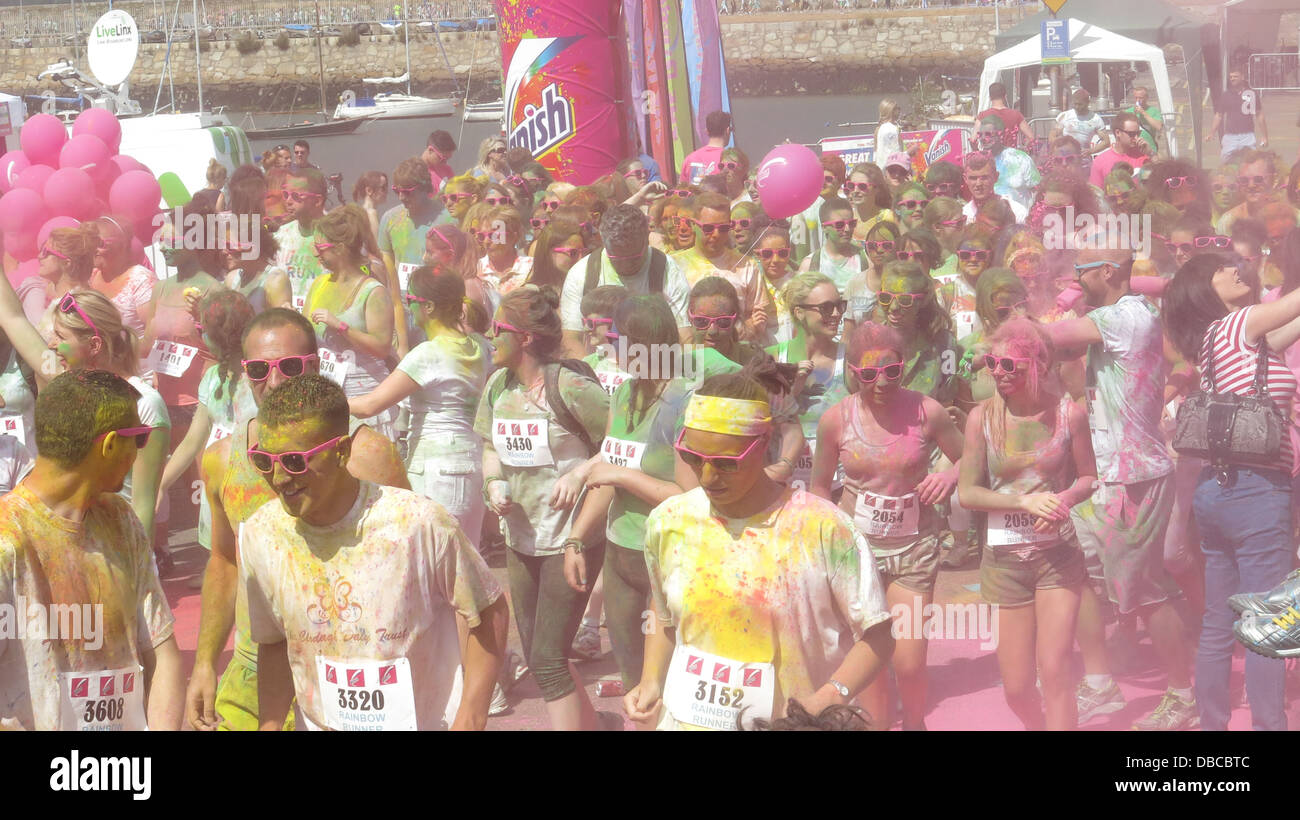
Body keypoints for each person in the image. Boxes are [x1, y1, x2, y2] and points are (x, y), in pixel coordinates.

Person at [626, 370, 894, 730]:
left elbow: (878, 635)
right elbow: (664, 613)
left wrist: (829, 696)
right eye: (692, 458)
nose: (707, 477)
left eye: (725, 463)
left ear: (765, 441)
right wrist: (650, 680)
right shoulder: (668, 522)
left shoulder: (822, 529)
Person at [183, 307, 409, 731]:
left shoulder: (365, 454)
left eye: (290, 366)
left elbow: (409, 574)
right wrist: (204, 665)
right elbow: (225, 563)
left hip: (345, 679)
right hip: (253, 673)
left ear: (316, 366)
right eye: (257, 368)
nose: (273, 382)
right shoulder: (222, 461)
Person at [240, 374, 507, 731]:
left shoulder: (417, 523)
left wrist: (471, 716)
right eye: (263, 460)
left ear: (342, 451)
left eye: (294, 461)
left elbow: (489, 609)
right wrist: (269, 725)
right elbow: (274, 642)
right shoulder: (263, 534)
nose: (278, 477)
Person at [1045, 243, 1196, 730]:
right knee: (1081, 578)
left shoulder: (1127, 316)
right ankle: (1101, 685)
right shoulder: (1115, 313)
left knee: (1147, 591)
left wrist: (1048, 311)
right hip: (1104, 480)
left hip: (1135, 477)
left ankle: (1182, 696)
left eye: (1081, 273)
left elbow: (1050, 338)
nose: (1075, 281)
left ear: (1106, 272)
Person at [0, 369, 183, 730]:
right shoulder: (8, 542)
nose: (140, 451)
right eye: (140, 437)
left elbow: (164, 655)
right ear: (111, 444)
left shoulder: (120, 520)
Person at [1164, 253, 1300, 731]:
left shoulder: (1216, 340)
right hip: (1259, 491)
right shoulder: (1241, 322)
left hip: (1216, 491)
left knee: (1220, 625)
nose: (1238, 270)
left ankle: (1214, 727)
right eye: (1224, 268)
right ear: (1207, 286)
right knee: (1264, 628)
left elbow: (1290, 326)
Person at [475, 286, 616, 729]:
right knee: (542, 655)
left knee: (549, 658)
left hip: (570, 539)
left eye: (498, 329)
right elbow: (489, 445)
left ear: (526, 338)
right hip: (521, 537)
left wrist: (578, 474)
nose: (489, 336)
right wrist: (495, 481)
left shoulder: (571, 386)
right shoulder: (498, 384)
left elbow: (620, 447)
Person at [812, 321, 964, 730]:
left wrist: (949, 475)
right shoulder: (835, 420)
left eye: (891, 371)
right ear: (854, 373)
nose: (881, 381)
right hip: (856, 552)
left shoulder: (927, 410)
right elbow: (819, 489)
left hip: (914, 549)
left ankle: (915, 725)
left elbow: (971, 459)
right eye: (868, 374)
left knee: (909, 662)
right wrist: (824, 544)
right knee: (872, 664)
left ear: (904, 367)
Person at [957, 319, 1096, 730]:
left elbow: (1089, 477)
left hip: (1057, 557)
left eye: (1010, 366)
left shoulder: (1069, 414)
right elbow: (967, 493)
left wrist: (1066, 497)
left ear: (1037, 365)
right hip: (1003, 561)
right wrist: (1023, 501)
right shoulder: (980, 418)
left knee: (1055, 672)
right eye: (994, 363)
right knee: (1017, 688)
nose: (998, 373)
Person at [564, 294, 703, 703]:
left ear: (641, 343)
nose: (607, 347)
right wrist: (576, 538)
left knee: (667, 684)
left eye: (615, 339)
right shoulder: (624, 394)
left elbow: (689, 496)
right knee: (631, 681)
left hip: (668, 557)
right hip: (621, 555)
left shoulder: (685, 402)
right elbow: (607, 477)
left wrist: (624, 475)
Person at [349, 263, 492, 540]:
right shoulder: (479, 345)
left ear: (428, 307)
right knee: (467, 560)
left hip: (436, 468)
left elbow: (370, 405)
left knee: (434, 561)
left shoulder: (428, 353)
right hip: (471, 462)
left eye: (410, 301)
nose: (408, 308)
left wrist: (327, 401)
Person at [304, 205, 397, 438]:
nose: (316, 254)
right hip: (324, 392)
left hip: (364, 393)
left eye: (321, 248)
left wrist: (341, 326)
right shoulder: (318, 284)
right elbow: (306, 333)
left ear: (341, 248)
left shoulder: (372, 290)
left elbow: (382, 347)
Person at [560, 204, 693, 358]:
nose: (626, 264)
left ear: (647, 239)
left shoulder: (668, 270)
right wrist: (591, 376)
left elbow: (684, 336)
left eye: (634, 258)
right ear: (603, 242)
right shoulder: (582, 273)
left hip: (652, 367)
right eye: (617, 258)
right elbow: (571, 338)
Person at [671, 192, 773, 341]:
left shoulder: (747, 266)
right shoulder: (674, 265)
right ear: (693, 225)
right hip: (692, 357)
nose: (716, 234)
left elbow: (759, 317)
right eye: (708, 228)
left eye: (724, 228)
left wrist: (747, 329)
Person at [380, 157, 443, 357]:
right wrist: (401, 343)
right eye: (396, 191)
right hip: (402, 309)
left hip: (436, 308)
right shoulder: (390, 219)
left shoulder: (447, 217)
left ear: (424, 188)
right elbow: (389, 274)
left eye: (407, 192)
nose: (401, 197)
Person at [17, 223, 98, 330]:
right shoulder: (43, 290)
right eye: (41, 250)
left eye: (46, 252)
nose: (40, 256)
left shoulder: (76, 307)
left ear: (67, 262)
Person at [273, 167, 330, 311]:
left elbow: (361, 271)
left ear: (317, 201)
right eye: (286, 194)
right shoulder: (281, 234)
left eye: (296, 196)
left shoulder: (336, 236)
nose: (288, 201)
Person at [1216, 150, 1300, 236]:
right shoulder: (1228, 222)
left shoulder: (1295, 218)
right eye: (1244, 180)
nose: (1251, 185)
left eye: (1258, 179)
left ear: (1274, 180)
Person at [799, 196, 870, 296]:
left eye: (851, 223)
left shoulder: (865, 259)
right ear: (824, 227)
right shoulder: (810, 265)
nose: (847, 229)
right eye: (840, 225)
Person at [973, 115, 1040, 214]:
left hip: (1018, 221)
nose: (983, 138)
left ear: (1001, 135)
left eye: (988, 134)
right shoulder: (978, 161)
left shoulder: (1020, 158)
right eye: (980, 135)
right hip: (990, 221)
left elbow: (1037, 190)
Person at [223, 221, 291, 314]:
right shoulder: (231, 279)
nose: (224, 252)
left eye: (229, 246)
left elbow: (281, 324)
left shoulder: (275, 280)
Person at [1207, 69, 1269, 161]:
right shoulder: (1226, 95)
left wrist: (1264, 136)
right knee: (1225, 163)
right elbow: (1219, 115)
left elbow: (1259, 115)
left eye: (1235, 76)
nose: (1232, 79)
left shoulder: (1251, 94)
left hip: (1247, 136)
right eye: (1231, 77)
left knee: (1252, 163)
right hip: (1230, 136)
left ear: (1242, 77)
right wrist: (1211, 133)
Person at [477, 206, 533, 294]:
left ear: (514, 237)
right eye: (482, 236)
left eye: (494, 235)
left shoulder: (531, 268)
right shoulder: (475, 270)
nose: (486, 241)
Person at [962, 150, 1029, 224]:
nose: (978, 184)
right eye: (973, 178)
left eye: (984, 178)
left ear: (996, 177)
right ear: (965, 179)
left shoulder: (1017, 211)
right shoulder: (963, 216)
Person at [1089, 112, 1151, 189]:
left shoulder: (1144, 158)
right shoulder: (1100, 161)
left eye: (1138, 133)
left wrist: (1151, 154)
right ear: (1118, 133)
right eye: (1131, 134)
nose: (1136, 137)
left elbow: (1160, 182)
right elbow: (1097, 195)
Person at [527, 218, 587, 294]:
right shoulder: (530, 297)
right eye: (573, 253)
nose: (581, 259)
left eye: (584, 252)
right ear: (548, 253)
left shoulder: (585, 288)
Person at [844, 162, 896, 242]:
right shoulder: (845, 219)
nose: (855, 191)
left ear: (877, 189)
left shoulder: (888, 218)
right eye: (851, 185)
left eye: (862, 186)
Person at [1052, 89, 1111, 158]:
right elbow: (1052, 135)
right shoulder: (1064, 116)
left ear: (1087, 103)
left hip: (1084, 159)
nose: (1077, 107)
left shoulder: (1096, 119)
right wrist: (1060, 149)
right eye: (1075, 104)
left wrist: (1091, 151)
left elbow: (1106, 142)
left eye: (1080, 104)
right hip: (1066, 158)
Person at [680, 110, 732, 186]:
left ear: (707, 131)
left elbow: (682, 190)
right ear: (727, 131)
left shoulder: (689, 159)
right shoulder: (730, 161)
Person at [974, 82, 1034, 148]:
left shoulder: (982, 115)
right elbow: (1031, 137)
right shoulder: (1016, 115)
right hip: (1010, 155)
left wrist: (978, 153)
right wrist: (1023, 151)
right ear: (1005, 96)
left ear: (990, 97)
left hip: (990, 156)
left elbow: (973, 140)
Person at [1125, 85, 1164, 157]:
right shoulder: (1128, 112)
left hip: (1149, 148)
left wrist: (1143, 113)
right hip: (1133, 150)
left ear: (1146, 98)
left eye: (1140, 98)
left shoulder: (1154, 111)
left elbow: (1159, 127)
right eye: (1136, 97)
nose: (1138, 100)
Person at [351, 169, 389, 242]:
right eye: (383, 188)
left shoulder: (361, 212)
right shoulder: (371, 214)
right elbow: (377, 246)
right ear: (369, 191)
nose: (387, 191)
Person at [423, 130, 458, 194]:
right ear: (430, 150)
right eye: (443, 159)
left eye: (447, 159)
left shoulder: (447, 169)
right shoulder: (416, 173)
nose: (445, 163)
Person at [875, 99, 903, 170]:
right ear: (891, 111)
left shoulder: (878, 129)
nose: (899, 111)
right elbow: (897, 149)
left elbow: (876, 151)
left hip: (881, 167)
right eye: (897, 108)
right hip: (894, 166)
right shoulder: (894, 128)